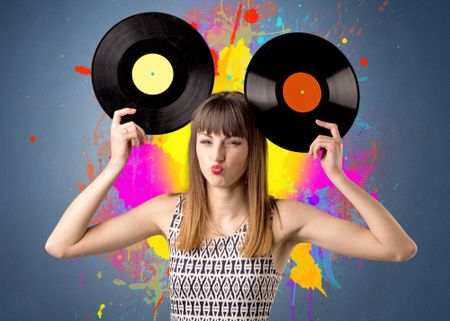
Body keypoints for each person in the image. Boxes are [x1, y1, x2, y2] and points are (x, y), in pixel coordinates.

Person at [45, 91, 417, 320]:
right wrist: (114, 165)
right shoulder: (169, 212)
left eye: (233, 142)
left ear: (253, 148)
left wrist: (338, 176)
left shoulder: (283, 219)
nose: (217, 155)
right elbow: (61, 245)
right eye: (206, 141)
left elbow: (398, 249)